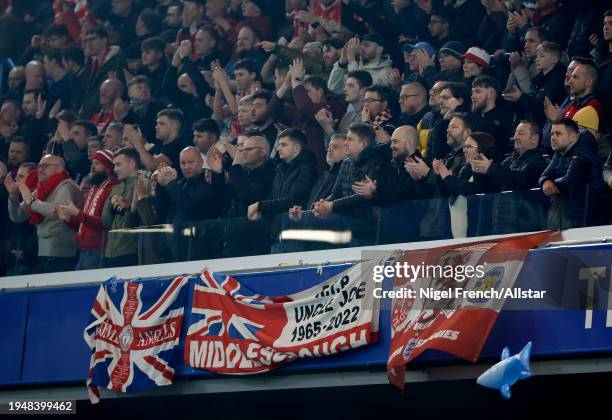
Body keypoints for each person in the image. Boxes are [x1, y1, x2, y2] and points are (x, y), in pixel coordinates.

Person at [7, 154, 82, 273]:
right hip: (43, 253)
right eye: (39, 166)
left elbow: (57, 211)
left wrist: (31, 202)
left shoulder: (67, 186)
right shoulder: (41, 189)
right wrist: (13, 196)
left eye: (45, 166)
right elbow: (17, 216)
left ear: (59, 168)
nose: (40, 170)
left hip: (63, 254)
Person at [154, 146, 221, 261]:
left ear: (200, 162)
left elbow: (189, 206)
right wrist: (161, 185)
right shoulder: (178, 184)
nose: (186, 167)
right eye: (183, 163)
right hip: (174, 248)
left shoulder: (207, 183)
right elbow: (161, 212)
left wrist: (170, 183)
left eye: (190, 162)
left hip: (199, 250)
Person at [57, 150, 119, 270]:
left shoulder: (112, 189)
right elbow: (84, 222)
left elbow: (104, 223)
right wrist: (68, 218)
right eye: (92, 163)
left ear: (108, 168)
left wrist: (77, 213)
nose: (92, 166)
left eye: (97, 163)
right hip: (84, 248)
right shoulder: (94, 188)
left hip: (99, 248)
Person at [539, 119, 607, 229]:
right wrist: (545, 181)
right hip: (574, 215)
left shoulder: (583, 150)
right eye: (552, 134)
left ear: (573, 137)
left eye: (558, 134)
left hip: (593, 219)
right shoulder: (560, 151)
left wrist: (553, 183)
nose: (553, 137)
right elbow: (544, 175)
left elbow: (571, 179)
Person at [101, 147, 154, 267]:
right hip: (109, 253)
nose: (115, 169)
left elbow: (148, 219)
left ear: (132, 164)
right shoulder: (116, 188)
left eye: (118, 165)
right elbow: (105, 221)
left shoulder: (146, 183)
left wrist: (128, 207)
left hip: (132, 252)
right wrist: (111, 205)